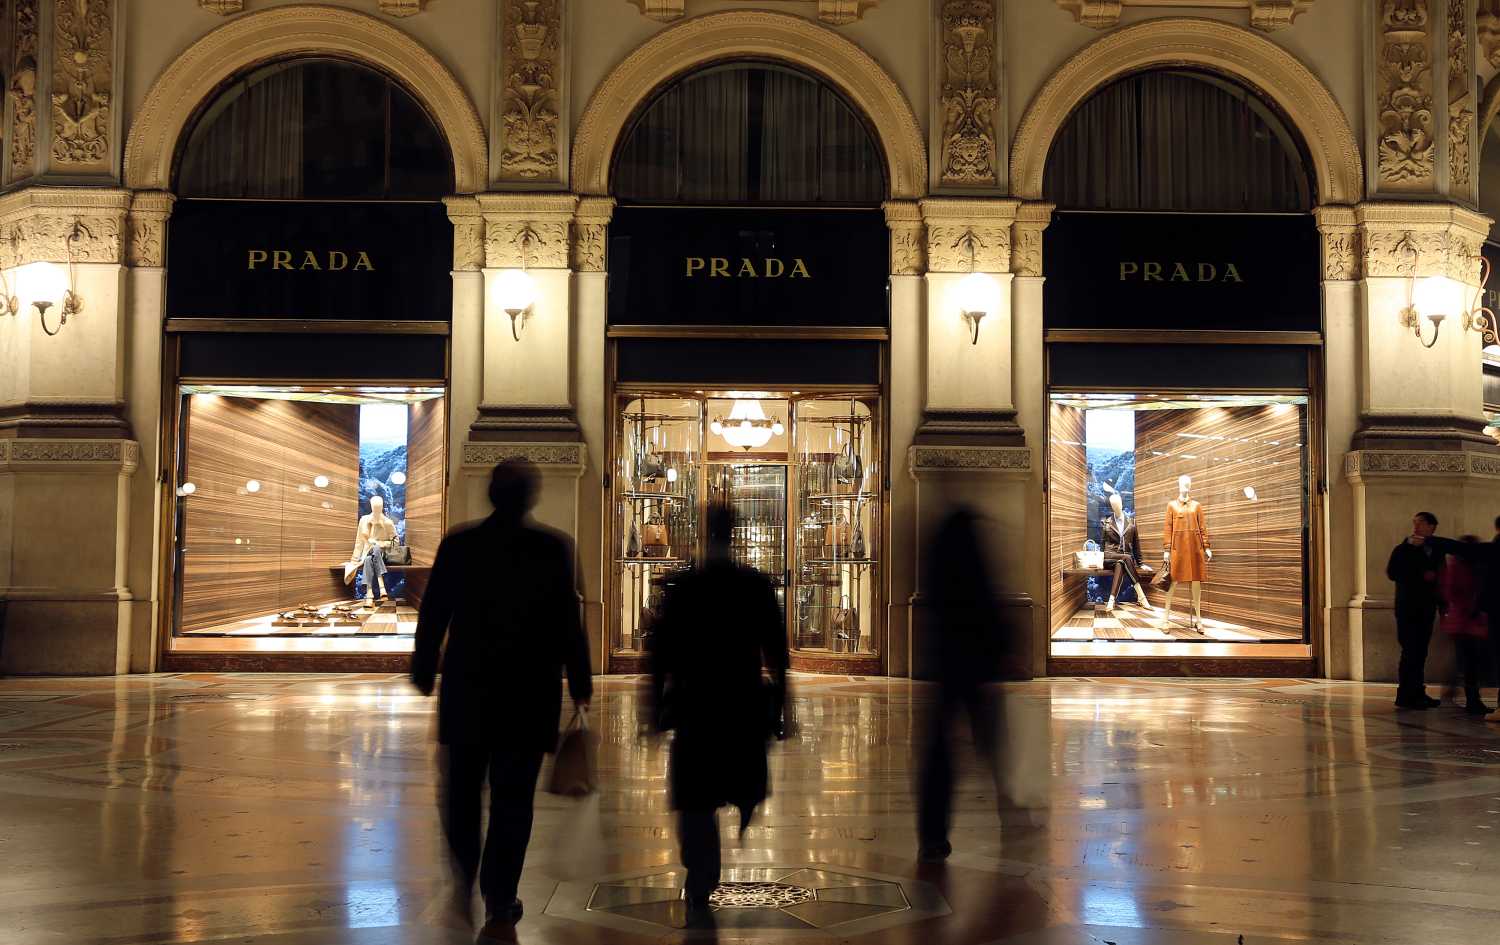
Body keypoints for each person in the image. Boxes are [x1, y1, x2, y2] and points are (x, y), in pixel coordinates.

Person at [411, 460, 593, 936]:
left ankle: (463, 876)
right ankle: (499, 893)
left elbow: (434, 612)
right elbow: (566, 623)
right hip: (528, 694)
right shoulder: (552, 548)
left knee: (462, 794)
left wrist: (424, 668)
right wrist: (580, 683)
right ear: (531, 498)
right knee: (514, 799)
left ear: (491, 494)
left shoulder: (460, 544)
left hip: (468, 689)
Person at [646, 504, 789, 925]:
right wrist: (782, 704)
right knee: (737, 774)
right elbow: (777, 652)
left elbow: (660, 654)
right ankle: (741, 809)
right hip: (740, 700)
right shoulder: (754, 585)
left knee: (695, 797)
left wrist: (653, 705)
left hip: (696, 705)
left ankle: (701, 874)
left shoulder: (685, 587)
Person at [916, 503, 1007, 863]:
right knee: (992, 745)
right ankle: (1010, 816)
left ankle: (932, 835)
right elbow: (991, 614)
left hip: (946, 665)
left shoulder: (939, 565)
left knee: (940, 752)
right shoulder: (976, 569)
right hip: (976, 666)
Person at [1386, 511, 1446, 710]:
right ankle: (1405, 696)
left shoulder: (1436, 550)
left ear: (1431, 527)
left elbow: (1441, 579)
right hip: (1408, 609)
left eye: (1420, 524)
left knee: (1420, 653)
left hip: (1426, 608)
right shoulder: (1403, 550)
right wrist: (1421, 574)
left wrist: (1443, 606)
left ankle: (1418, 692)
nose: (1416, 527)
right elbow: (1393, 573)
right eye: (1415, 523)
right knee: (1410, 652)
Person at [1438, 535, 1491, 716]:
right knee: (1468, 661)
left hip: (1467, 620)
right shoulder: (1459, 567)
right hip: (1464, 620)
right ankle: (1471, 699)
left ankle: (1460, 693)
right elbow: (1451, 592)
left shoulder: (1466, 566)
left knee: (1466, 661)